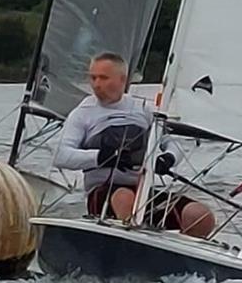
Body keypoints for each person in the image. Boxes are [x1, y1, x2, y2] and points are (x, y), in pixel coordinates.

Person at [54, 52, 215, 238]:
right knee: (125, 199)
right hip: (104, 194)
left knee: (201, 216)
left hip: (143, 191)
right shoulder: (82, 114)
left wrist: (168, 158)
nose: (96, 84)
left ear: (123, 79)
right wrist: (102, 156)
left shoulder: (142, 110)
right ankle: (129, 245)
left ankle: (174, 256)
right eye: (93, 77)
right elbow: (61, 156)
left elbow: (172, 144)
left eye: (104, 78)